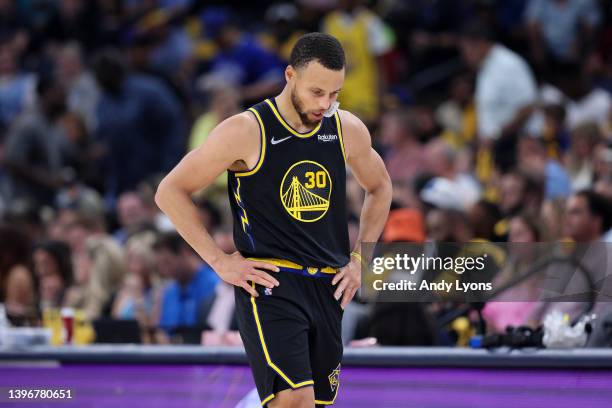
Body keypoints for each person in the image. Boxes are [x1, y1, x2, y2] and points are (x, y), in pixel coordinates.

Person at [155, 33, 392, 407]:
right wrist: (219, 261)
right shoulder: (245, 131)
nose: (326, 104)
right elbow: (170, 191)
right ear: (289, 76)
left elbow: (380, 188)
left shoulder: (346, 128)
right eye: (317, 92)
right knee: (294, 400)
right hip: (271, 283)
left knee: (314, 404)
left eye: (334, 94)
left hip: (328, 287)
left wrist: (361, 260)